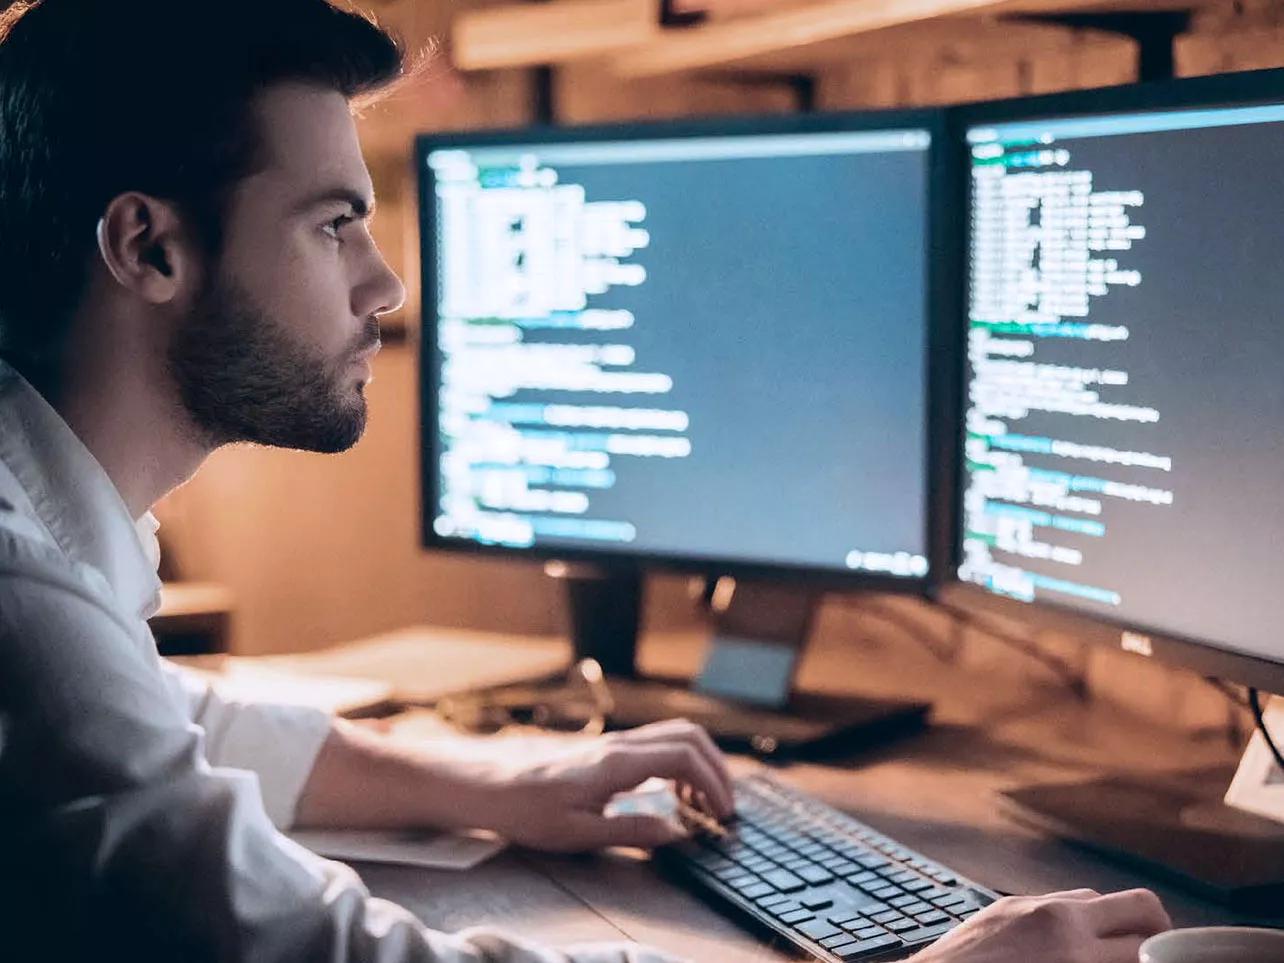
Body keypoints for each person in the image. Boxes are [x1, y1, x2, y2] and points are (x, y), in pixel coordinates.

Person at [0, 1, 1172, 960]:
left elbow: (162, 723)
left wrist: (496, 778)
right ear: (148, 248)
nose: (385, 285)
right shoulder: (21, 589)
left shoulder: (53, 539)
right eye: (335, 224)